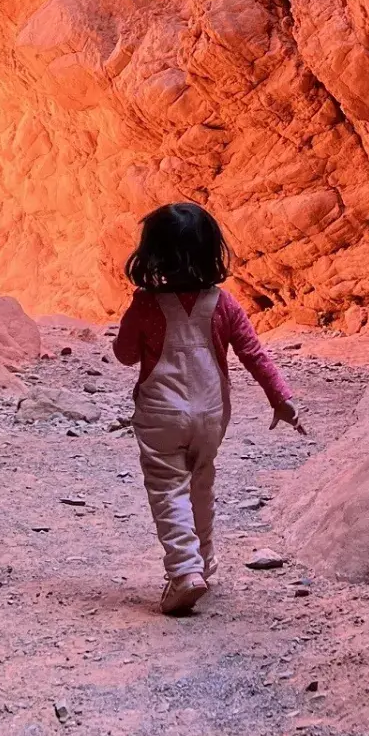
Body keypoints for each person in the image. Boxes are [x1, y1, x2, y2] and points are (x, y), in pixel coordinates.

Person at [113, 201, 305, 616]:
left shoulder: (146, 305)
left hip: (162, 412)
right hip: (211, 412)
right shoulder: (224, 304)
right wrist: (281, 398)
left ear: (152, 255)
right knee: (201, 482)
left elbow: (125, 355)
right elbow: (253, 354)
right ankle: (204, 560)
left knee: (168, 488)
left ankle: (185, 571)